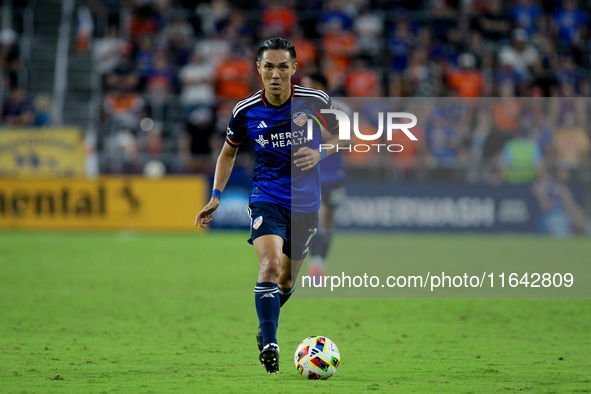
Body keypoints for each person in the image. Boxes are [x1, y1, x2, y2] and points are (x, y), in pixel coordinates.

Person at [195, 38, 342, 374]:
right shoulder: (245, 110)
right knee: (271, 267)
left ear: (293, 69)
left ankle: (265, 327)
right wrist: (216, 195)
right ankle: (272, 344)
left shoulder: (315, 101)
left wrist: (321, 152)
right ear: (258, 69)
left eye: (282, 66)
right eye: (269, 66)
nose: (276, 73)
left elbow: (341, 137)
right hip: (266, 197)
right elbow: (228, 153)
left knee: (287, 282)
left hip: (306, 204)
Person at [301, 72, 347, 279]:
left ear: (319, 86)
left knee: (328, 220)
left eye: (306, 85)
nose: (302, 88)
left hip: (334, 173)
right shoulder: (299, 109)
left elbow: (348, 139)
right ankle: (315, 264)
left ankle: (320, 261)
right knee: (315, 217)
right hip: (311, 172)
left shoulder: (339, 108)